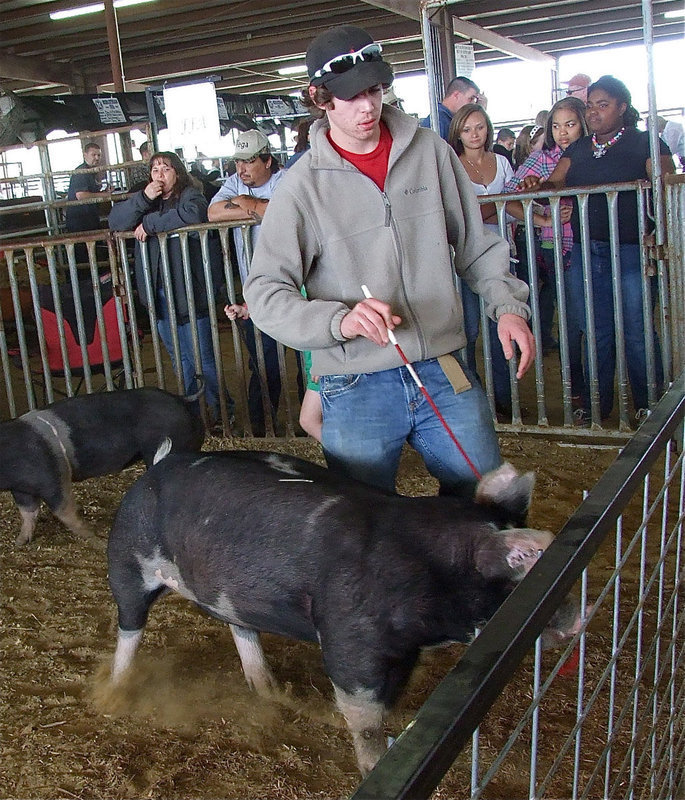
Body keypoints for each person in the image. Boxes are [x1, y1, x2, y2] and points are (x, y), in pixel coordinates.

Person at [243, 24, 534, 496]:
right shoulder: (301, 187)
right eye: (352, 95)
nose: (368, 106)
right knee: (362, 521)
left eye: (375, 90)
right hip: (355, 379)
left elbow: (474, 244)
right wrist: (339, 321)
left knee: (489, 501)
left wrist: (508, 307)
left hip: (440, 362)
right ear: (320, 97)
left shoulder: (430, 152)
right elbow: (265, 292)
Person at [533, 75, 674, 424]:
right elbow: (555, 183)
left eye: (603, 105)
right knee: (595, 329)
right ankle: (597, 404)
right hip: (587, 250)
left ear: (622, 107)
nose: (594, 112)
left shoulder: (646, 143)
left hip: (633, 249)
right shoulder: (579, 149)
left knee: (637, 327)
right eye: (591, 105)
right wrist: (537, 185)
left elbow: (667, 186)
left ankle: (649, 403)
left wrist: (661, 233)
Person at [108, 151, 230, 425]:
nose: (160, 174)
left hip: (190, 292)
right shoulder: (145, 201)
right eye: (155, 170)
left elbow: (194, 214)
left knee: (202, 359)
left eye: (166, 168)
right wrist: (144, 198)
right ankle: (196, 412)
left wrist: (150, 224)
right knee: (180, 359)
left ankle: (222, 411)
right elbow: (116, 221)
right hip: (159, 294)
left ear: (178, 173)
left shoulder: (190, 195)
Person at [504, 96, 588, 387]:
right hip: (558, 247)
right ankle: (575, 385)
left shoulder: (593, 154)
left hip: (597, 244)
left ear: (583, 124)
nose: (562, 132)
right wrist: (543, 219)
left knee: (590, 318)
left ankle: (592, 384)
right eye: (556, 126)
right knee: (572, 317)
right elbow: (509, 197)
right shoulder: (541, 159)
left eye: (570, 124)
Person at [208, 129, 285, 436]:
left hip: (292, 283)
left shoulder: (286, 180)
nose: (241, 169)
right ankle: (261, 428)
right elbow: (213, 213)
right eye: (238, 162)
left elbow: (280, 211)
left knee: (308, 360)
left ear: (267, 160)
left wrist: (244, 202)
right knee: (264, 362)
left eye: (249, 161)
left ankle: (314, 423)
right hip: (254, 288)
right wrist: (254, 205)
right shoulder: (234, 183)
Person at [447, 103, 519, 419]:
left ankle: (504, 399)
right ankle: (473, 401)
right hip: (464, 255)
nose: (474, 134)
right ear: (458, 133)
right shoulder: (451, 165)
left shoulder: (501, 162)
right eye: (467, 129)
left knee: (502, 324)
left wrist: (538, 218)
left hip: (502, 250)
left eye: (479, 127)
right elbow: (463, 214)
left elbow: (514, 204)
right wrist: (498, 207)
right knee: (468, 330)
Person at [65, 142, 110, 258]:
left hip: (88, 218)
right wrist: (103, 195)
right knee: (85, 253)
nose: (97, 158)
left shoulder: (91, 172)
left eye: (99, 155)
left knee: (93, 252)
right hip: (80, 221)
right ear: (85, 155)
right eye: (93, 155)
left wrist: (103, 192)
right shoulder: (81, 172)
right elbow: (81, 195)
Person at [419, 75, 481, 140]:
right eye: (471, 98)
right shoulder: (438, 121)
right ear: (456, 95)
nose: (473, 104)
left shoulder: (448, 119)